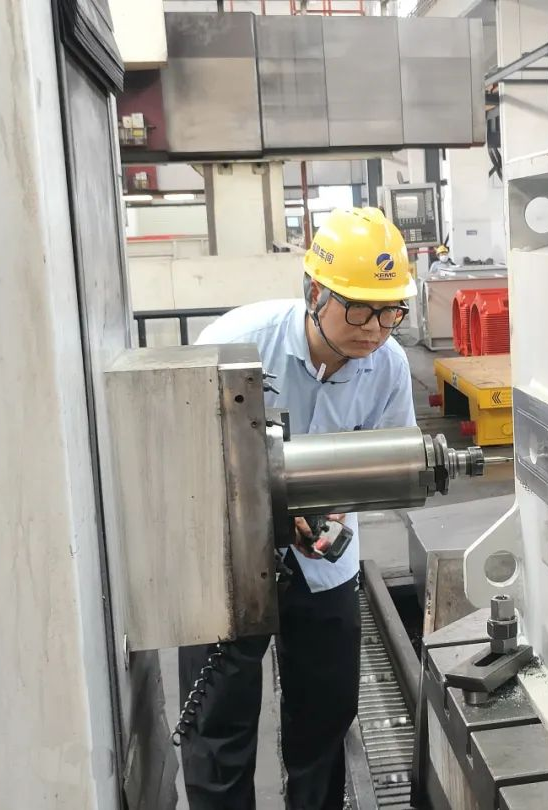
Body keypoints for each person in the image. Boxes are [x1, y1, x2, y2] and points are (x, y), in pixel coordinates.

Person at [178, 207, 418, 810]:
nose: (375, 329)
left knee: (325, 715)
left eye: (390, 311)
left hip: (324, 565)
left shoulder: (388, 365)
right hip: (230, 564)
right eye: (359, 309)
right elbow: (187, 458)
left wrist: (334, 511)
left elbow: (389, 459)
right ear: (315, 293)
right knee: (219, 725)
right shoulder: (237, 344)